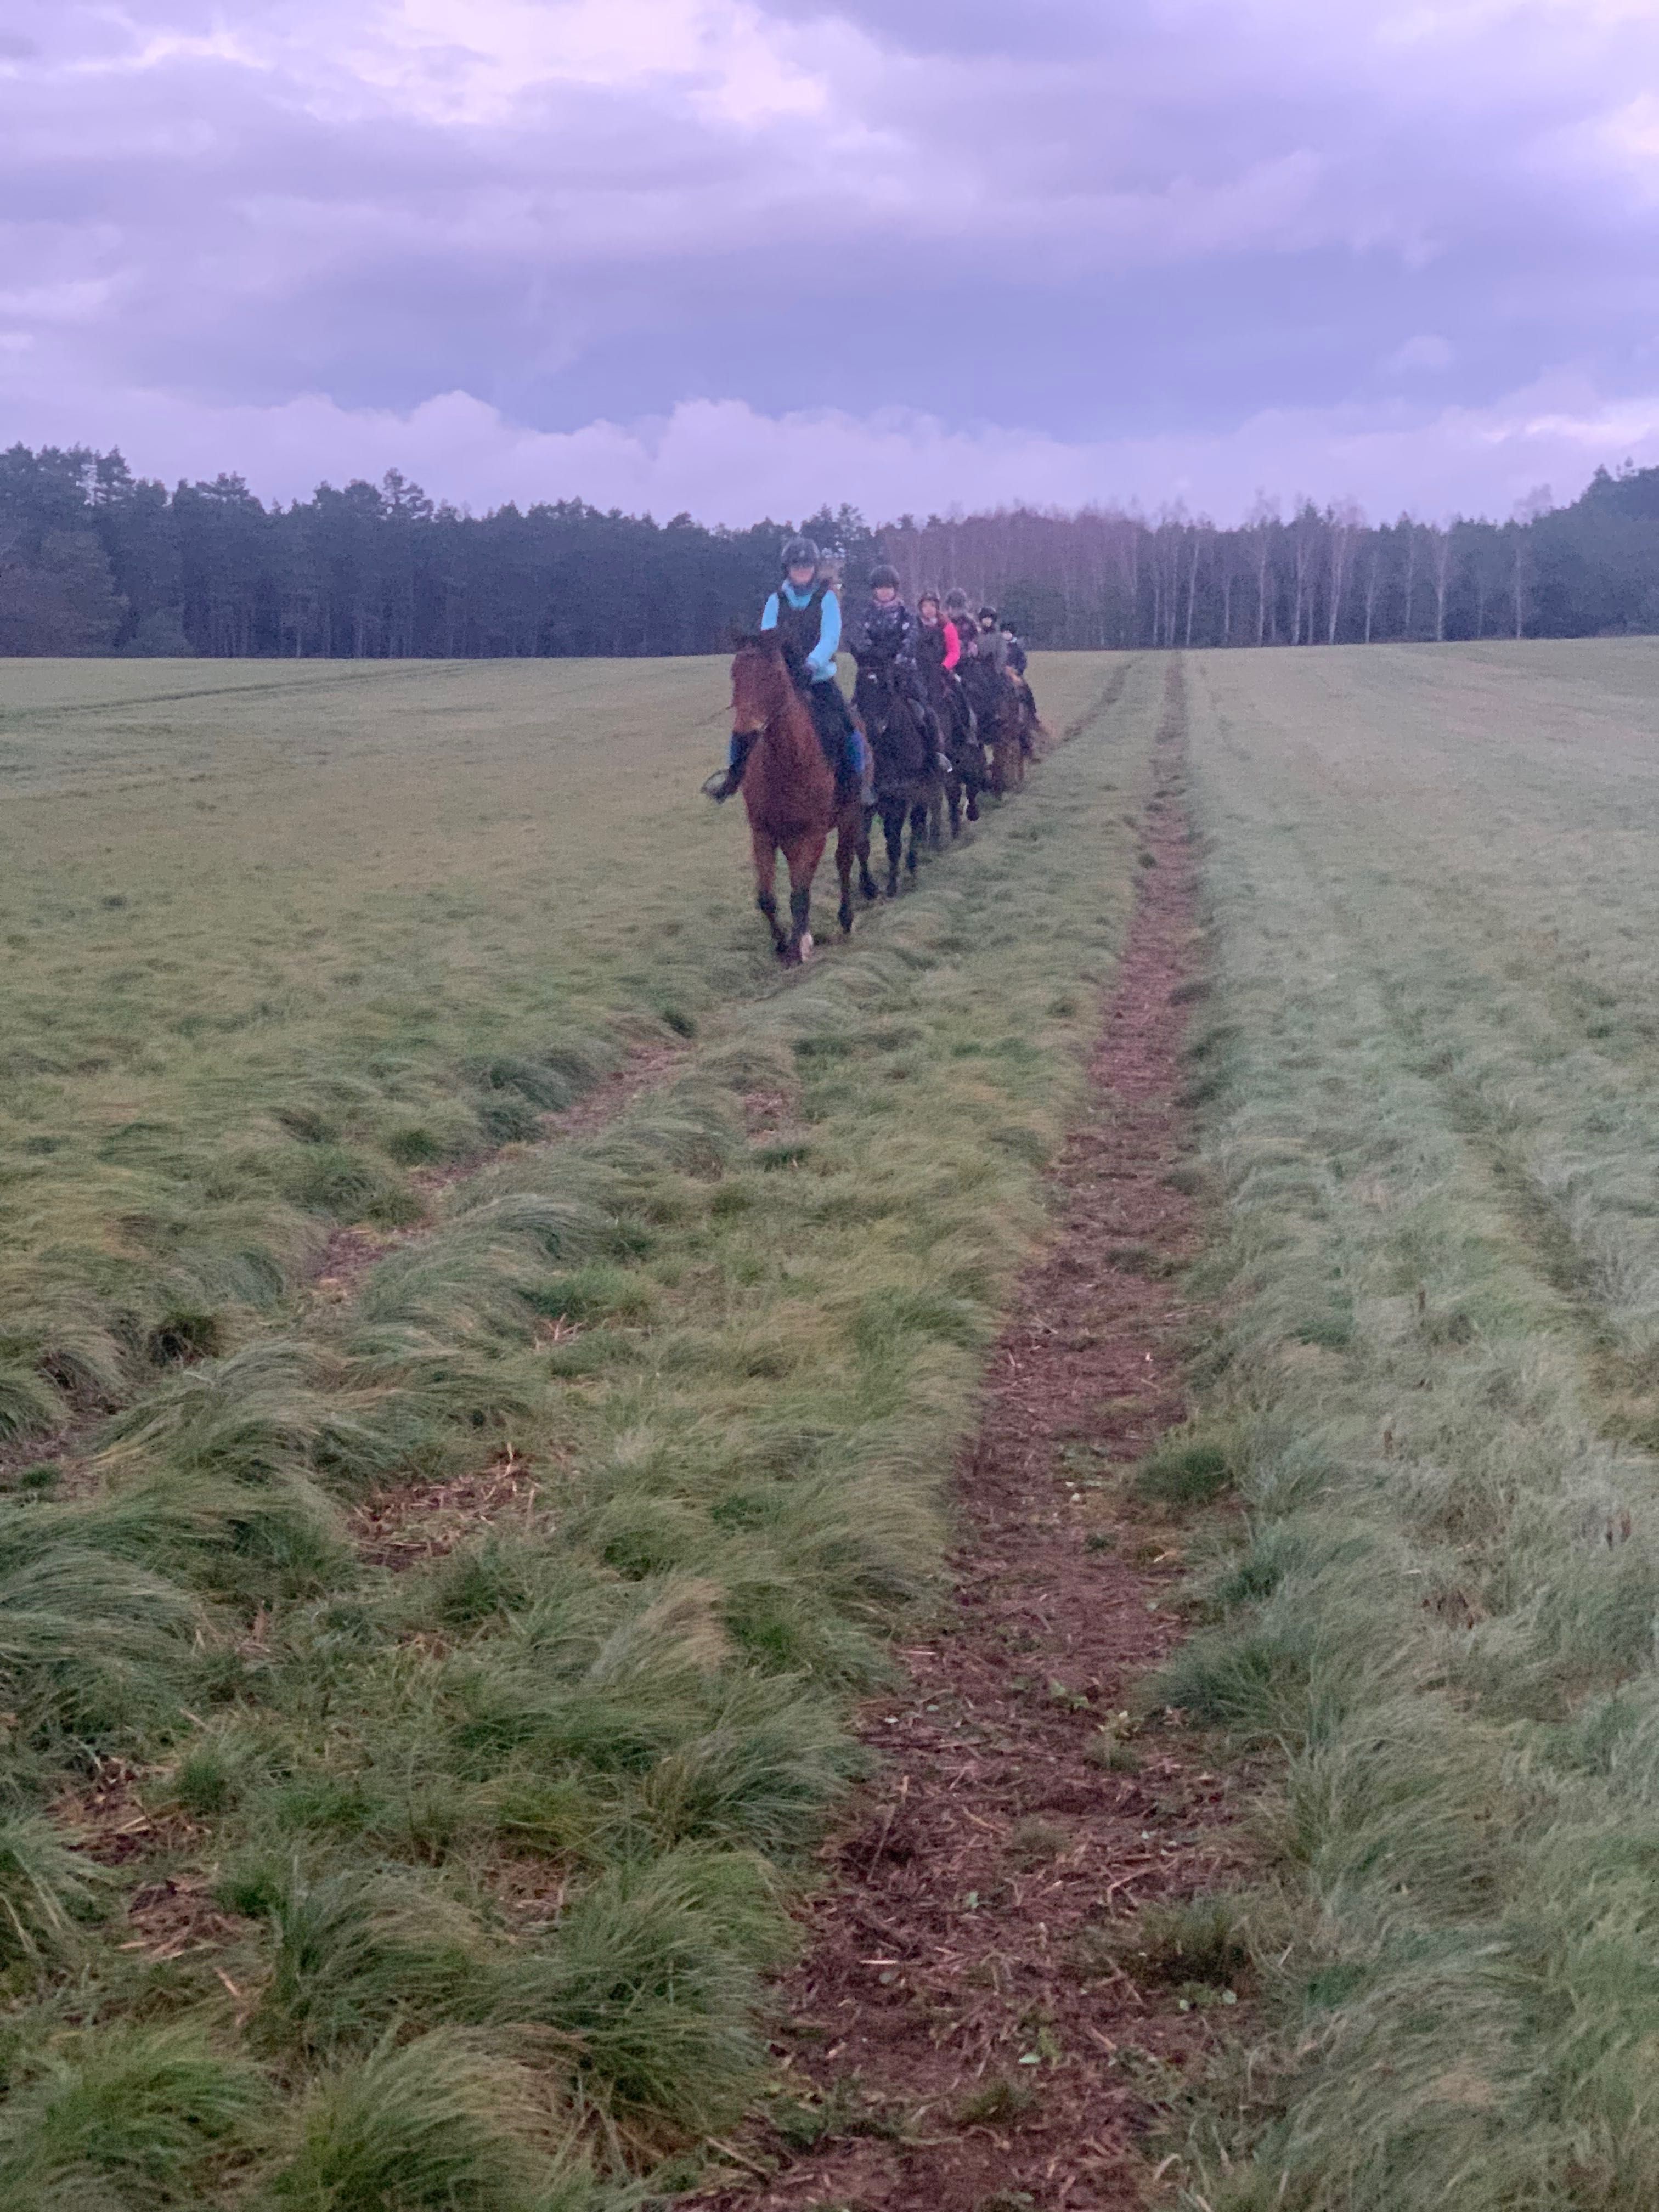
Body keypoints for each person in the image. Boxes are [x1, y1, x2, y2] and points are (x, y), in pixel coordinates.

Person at [703, 535, 869, 803]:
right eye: (796, 567)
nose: (802, 571)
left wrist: (811, 665)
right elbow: (768, 638)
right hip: (781, 681)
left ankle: (859, 784)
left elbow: (830, 638)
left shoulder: (826, 599)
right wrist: (782, 669)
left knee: (849, 727)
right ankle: (733, 778)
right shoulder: (776, 601)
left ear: (814, 569)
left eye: (806, 566)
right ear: (787, 570)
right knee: (744, 725)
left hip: (818, 679)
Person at [851, 566, 948, 771]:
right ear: (874, 590)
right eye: (880, 588)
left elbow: (911, 642)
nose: (884, 592)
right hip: (874, 673)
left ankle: (935, 757)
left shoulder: (907, 616)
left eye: (888, 588)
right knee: (853, 711)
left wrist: (898, 662)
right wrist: (874, 657)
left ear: (895, 589)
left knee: (925, 712)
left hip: (903, 674)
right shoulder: (866, 615)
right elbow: (861, 640)